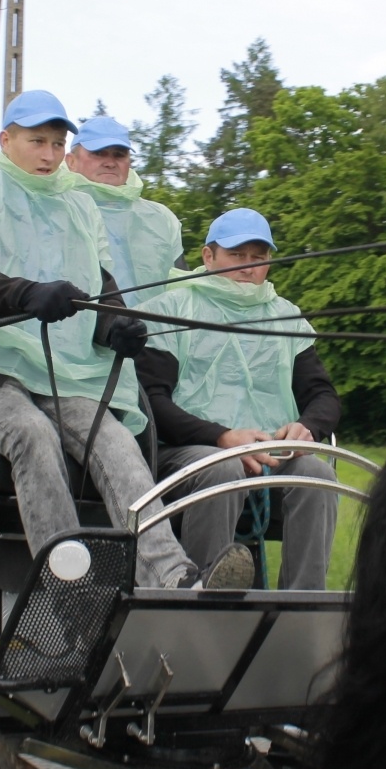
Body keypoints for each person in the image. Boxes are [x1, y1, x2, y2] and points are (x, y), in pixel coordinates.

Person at [0, 90, 253, 590]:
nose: (48, 155)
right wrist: (24, 294)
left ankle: (174, 577)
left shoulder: (77, 205)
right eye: (37, 141)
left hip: (64, 367)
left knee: (116, 442)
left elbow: (101, 289)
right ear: (6, 139)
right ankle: (62, 586)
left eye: (58, 144)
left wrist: (116, 326)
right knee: (31, 434)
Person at [136, 208, 341, 590]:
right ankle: (200, 596)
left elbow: (323, 395)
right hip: (188, 449)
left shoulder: (286, 317)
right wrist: (221, 437)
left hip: (268, 450)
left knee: (319, 476)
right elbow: (152, 401)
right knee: (223, 471)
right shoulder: (171, 309)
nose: (249, 268)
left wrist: (307, 427)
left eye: (258, 257)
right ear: (208, 256)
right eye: (237, 255)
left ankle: (298, 610)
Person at [64, 116, 186, 307]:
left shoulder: (162, 218)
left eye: (119, 154)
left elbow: (180, 289)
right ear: (71, 161)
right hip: (72, 333)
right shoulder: (55, 209)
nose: (110, 162)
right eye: (99, 153)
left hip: (154, 334)